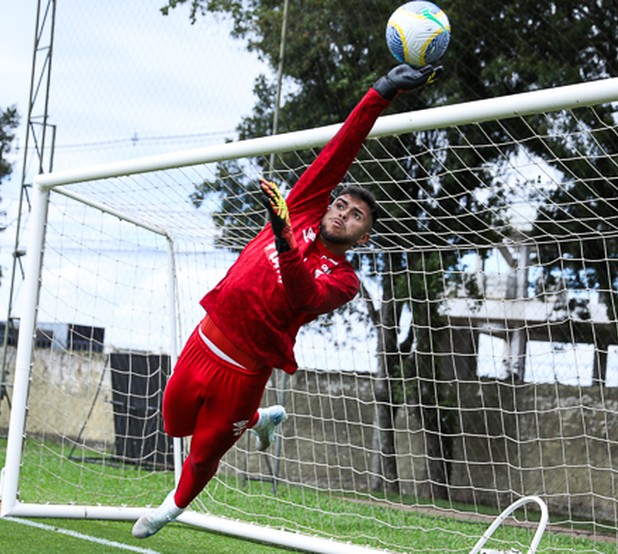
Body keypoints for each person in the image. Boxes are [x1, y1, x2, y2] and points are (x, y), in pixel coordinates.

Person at [132, 63, 442, 539]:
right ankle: (258, 421)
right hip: (206, 341)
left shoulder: (343, 279)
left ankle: (169, 511)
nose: (343, 214)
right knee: (175, 421)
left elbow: (302, 293)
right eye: (341, 204)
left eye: (356, 216)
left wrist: (280, 237)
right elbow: (341, 151)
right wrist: (380, 93)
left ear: (363, 237)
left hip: (246, 370)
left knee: (206, 450)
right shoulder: (299, 209)